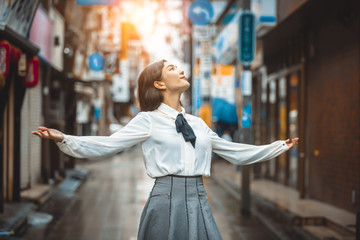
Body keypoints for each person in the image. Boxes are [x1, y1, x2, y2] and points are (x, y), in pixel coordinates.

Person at [32, 60, 299, 240]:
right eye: (172, 69)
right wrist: (64, 138)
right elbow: (108, 145)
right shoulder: (147, 119)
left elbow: (234, 151)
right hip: (164, 200)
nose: (181, 70)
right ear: (159, 84)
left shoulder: (197, 123)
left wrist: (277, 147)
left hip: (199, 200)